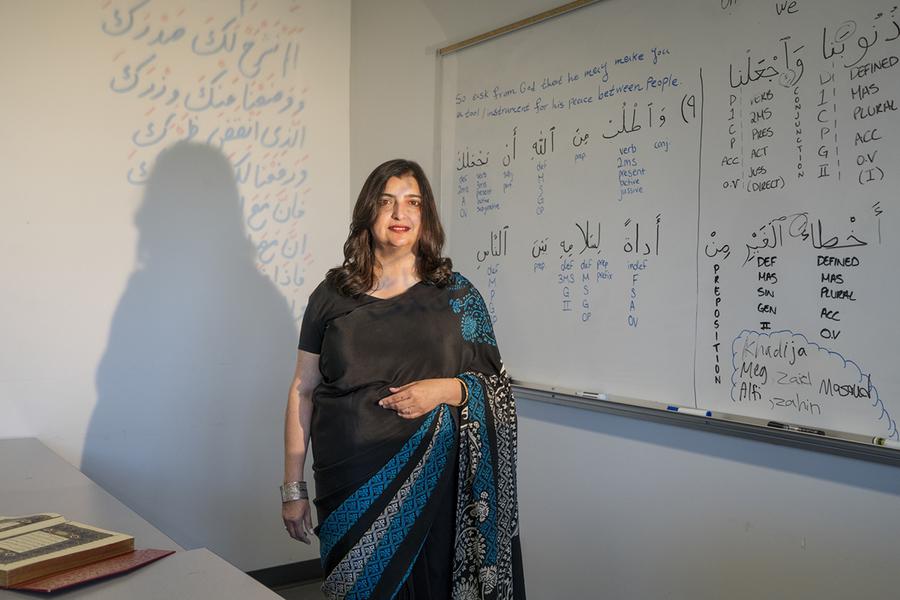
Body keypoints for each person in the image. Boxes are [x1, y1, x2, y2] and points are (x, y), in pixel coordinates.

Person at [281, 159, 525, 599]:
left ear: (425, 214)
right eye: (388, 201)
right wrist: (292, 487)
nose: (400, 214)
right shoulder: (331, 296)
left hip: (439, 487)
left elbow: (498, 388)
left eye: (413, 202)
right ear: (367, 213)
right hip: (349, 481)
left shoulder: (459, 296)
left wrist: (445, 389)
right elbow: (303, 389)